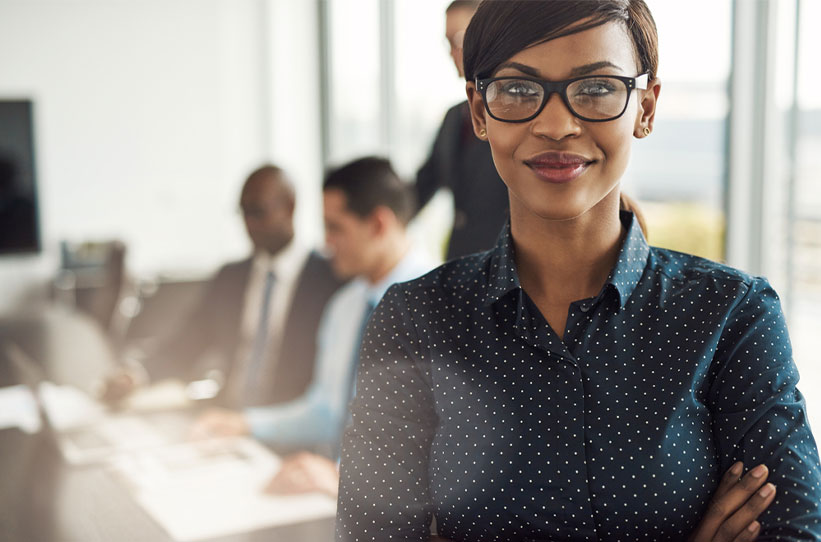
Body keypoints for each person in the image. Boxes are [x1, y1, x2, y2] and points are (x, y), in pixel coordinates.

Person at [336, 2, 821, 541]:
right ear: (478, 110)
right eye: (518, 90)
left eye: (595, 88)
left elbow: (792, 531)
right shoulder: (415, 319)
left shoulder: (732, 315)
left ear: (646, 107)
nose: (556, 125)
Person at [191, 157, 436, 491]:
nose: (326, 243)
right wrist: (245, 423)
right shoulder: (344, 307)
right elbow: (326, 412)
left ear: (379, 224)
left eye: (336, 228)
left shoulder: (447, 307)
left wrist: (344, 478)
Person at [102, 165, 344, 408]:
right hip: (227, 419)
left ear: (289, 207)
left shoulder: (329, 280)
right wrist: (136, 374)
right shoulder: (231, 278)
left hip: (293, 429)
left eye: (258, 212)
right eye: (244, 212)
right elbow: (187, 341)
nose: (249, 224)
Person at [414, 0, 509, 260]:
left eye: (458, 38)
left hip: (506, 264)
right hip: (460, 261)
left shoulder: (517, 114)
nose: (452, 52)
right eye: (448, 42)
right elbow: (424, 183)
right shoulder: (454, 117)